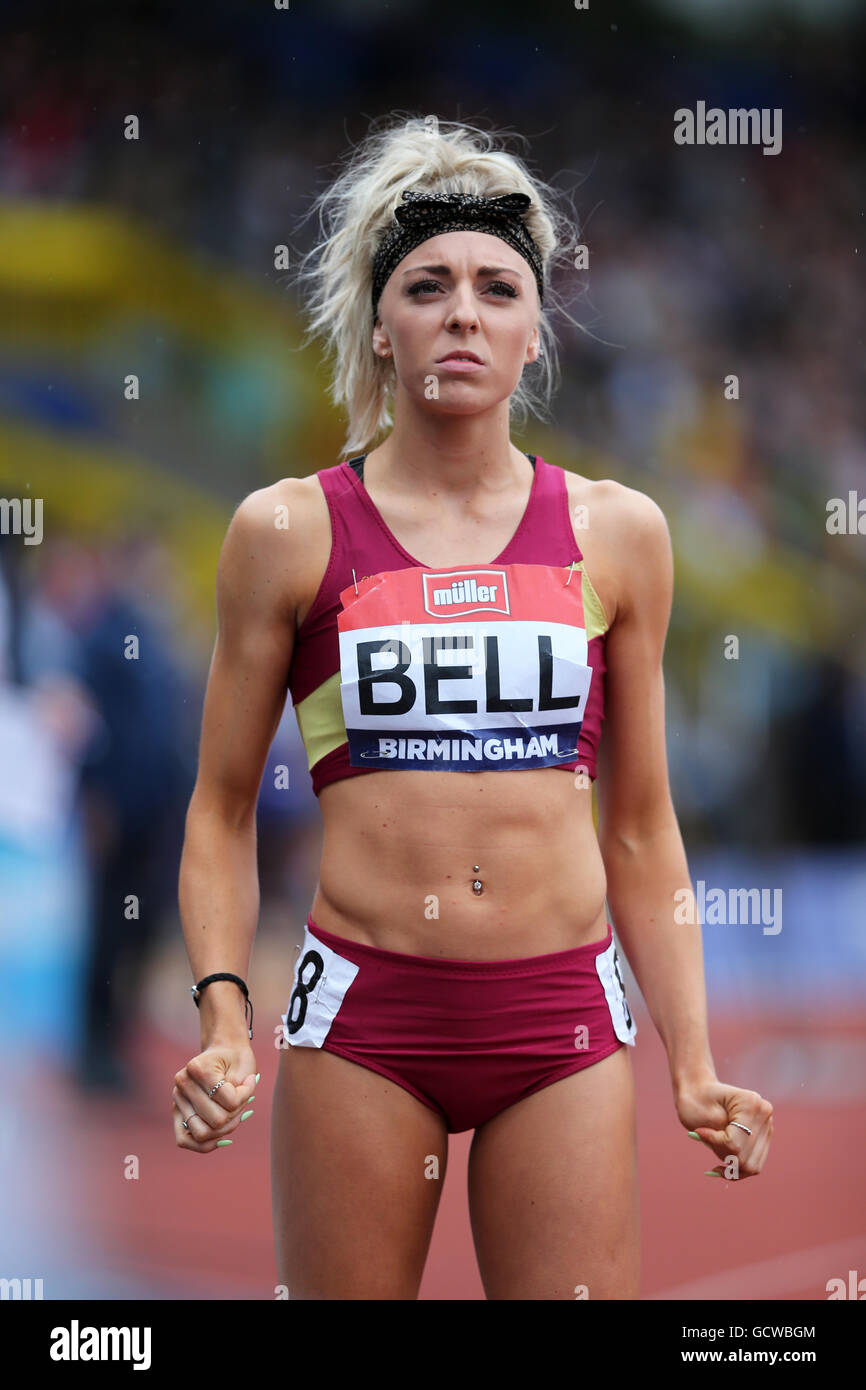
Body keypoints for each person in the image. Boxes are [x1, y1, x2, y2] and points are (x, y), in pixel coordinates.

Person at [172, 115, 774, 1300]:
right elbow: (221, 810)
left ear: (533, 327)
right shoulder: (286, 531)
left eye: (498, 287)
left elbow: (641, 826)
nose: (462, 312)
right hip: (361, 1018)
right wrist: (225, 1018)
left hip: (559, 1021)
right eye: (426, 284)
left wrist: (691, 1059)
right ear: (379, 324)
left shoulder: (620, 532)